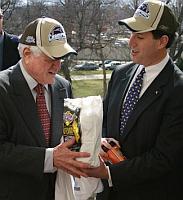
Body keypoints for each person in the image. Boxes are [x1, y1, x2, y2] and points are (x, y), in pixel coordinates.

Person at [84, 0, 183, 200]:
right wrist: (101, 141)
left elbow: (163, 158)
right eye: (131, 34)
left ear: (162, 41)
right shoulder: (120, 73)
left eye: (139, 36)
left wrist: (110, 173)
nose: (131, 42)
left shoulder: (178, 89)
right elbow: (103, 120)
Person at [0, 17, 91, 200]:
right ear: (27, 53)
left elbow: (70, 134)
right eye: (51, 58)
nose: (57, 66)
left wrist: (93, 141)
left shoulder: (63, 86)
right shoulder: (3, 89)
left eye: (61, 58)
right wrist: (49, 159)